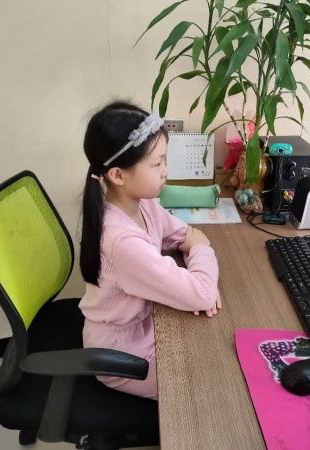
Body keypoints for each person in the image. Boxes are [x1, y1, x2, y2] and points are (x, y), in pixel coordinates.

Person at [78, 101, 221, 400]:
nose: (165, 172)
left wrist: (200, 281)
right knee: (209, 385)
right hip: (120, 353)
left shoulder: (142, 204)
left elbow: (182, 235)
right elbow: (200, 270)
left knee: (213, 349)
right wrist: (202, 263)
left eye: (164, 160)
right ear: (118, 175)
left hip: (145, 324)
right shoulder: (122, 241)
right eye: (156, 164)